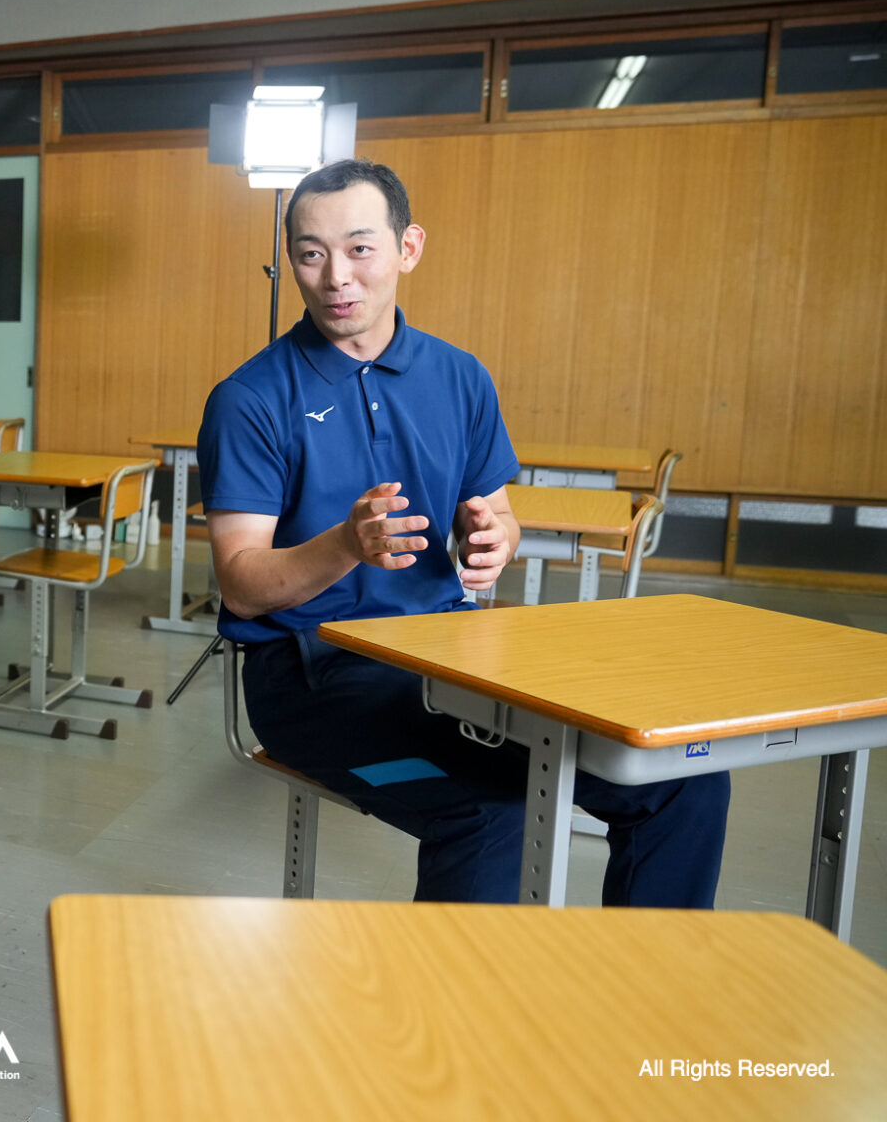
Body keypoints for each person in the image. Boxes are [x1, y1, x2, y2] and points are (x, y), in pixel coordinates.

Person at [197, 158, 728, 905]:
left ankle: (647, 1004)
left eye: (359, 248)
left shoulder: (460, 377)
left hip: (451, 658)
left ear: (407, 248)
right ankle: (455, 1022)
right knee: (492, 810)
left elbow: (496, 513)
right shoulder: (250, 398)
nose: (336, 277)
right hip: (315, 678)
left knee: (683, 779)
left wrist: (493, 542)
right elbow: (243, 587)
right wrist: (346, 544)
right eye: (311, 254)